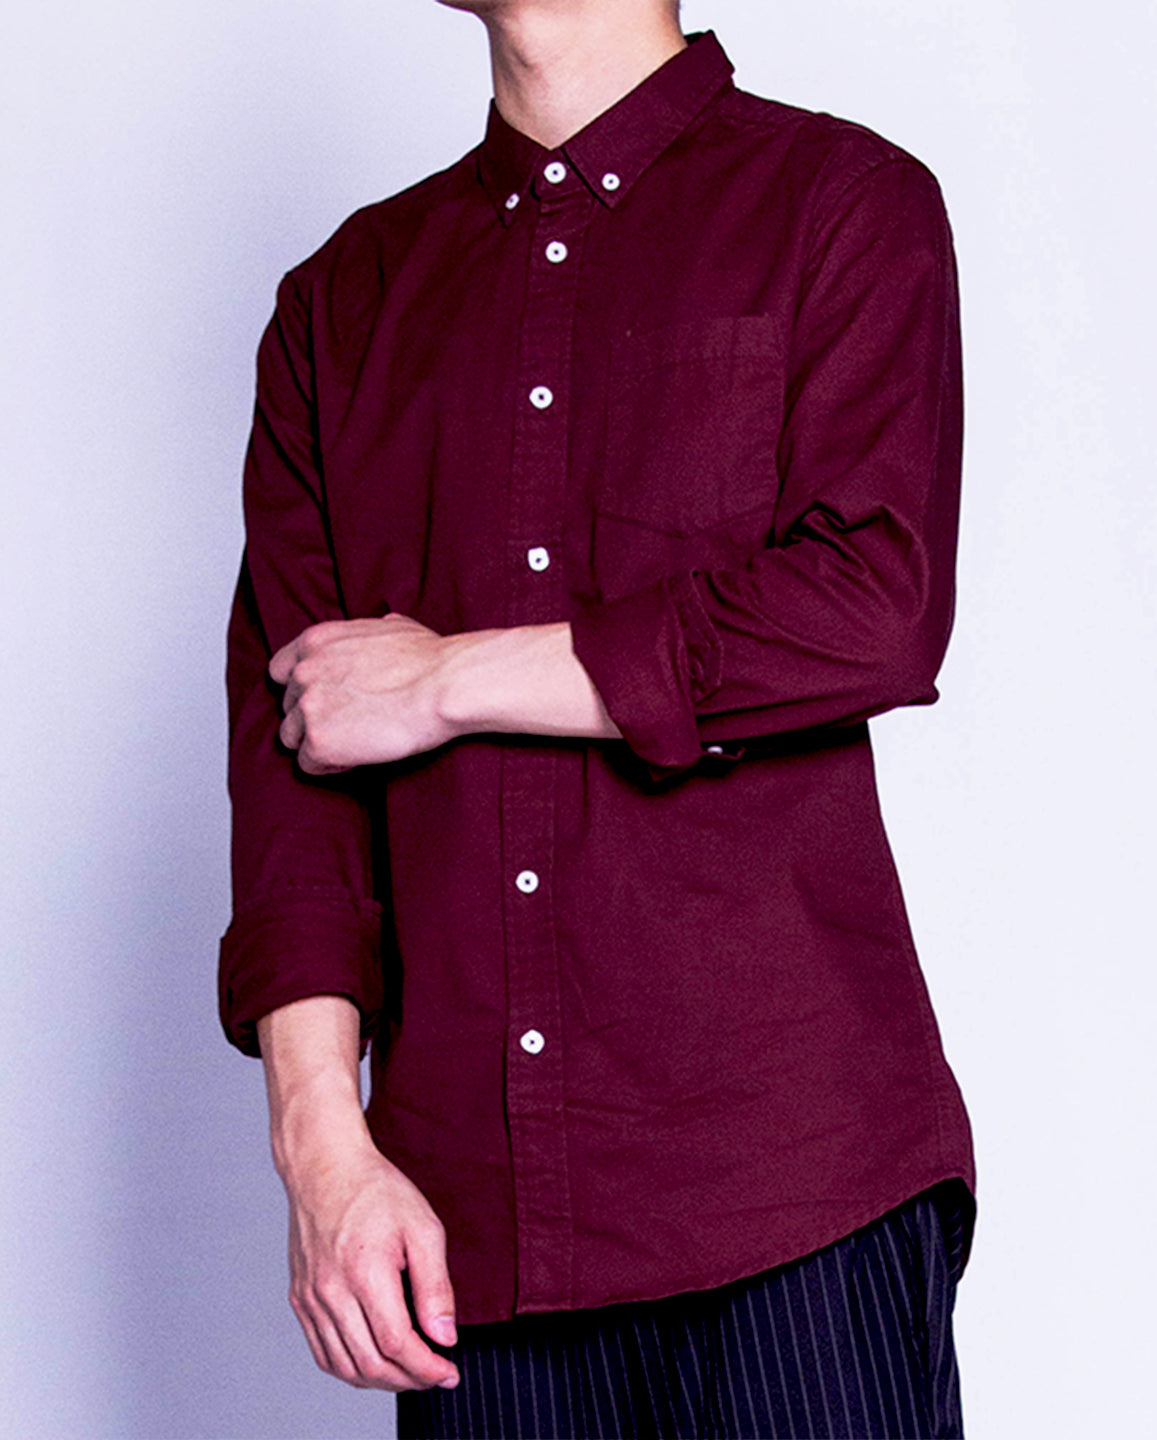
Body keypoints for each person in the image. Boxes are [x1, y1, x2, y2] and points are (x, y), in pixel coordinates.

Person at [218, 1, 977, 1435]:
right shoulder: (341, 302)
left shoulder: (840, 203)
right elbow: (293, 763)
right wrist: (323, 1149)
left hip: (787, 1189)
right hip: (468, 1234)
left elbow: (871, 607)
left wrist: (447, 677)